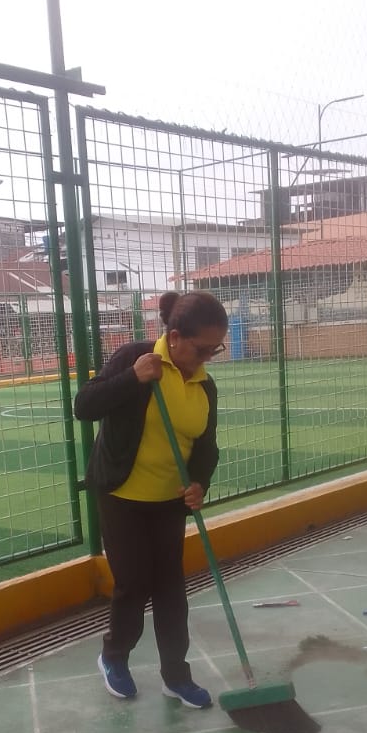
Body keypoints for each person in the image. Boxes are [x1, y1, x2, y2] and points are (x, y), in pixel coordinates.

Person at [74, 289, 228, 708]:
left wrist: (199, 483)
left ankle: (176, 676)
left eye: (215, 350)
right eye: (202, 349)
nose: (207, 358)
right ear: (174, 337)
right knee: (134, 582)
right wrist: (132, 378)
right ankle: (114, 656)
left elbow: (207, 446)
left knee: (171, 588)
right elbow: (84, 405)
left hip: (168, 500)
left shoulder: (204, 384)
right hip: (122, 494)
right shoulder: (135, 358)